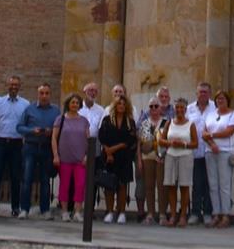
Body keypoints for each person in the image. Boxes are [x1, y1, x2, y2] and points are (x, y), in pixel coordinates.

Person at [0, 75, 28, 217]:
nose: (13, 87)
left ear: (19, 87)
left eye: (16, 85)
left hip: (17, 143)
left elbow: (27, 124)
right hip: (1, 142)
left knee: (16, 177)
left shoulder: (25, 104)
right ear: (7, 86)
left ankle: (15, 207)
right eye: (11, 84)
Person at [18, 82, 58, 219]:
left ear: (50, 95)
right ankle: (24, 209)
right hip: (31, 146)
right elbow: (19, 127)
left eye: (47, 93)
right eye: (42, 93)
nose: (44, 96)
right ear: (38, 94)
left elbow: (60, 129)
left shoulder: (56, 111)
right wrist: (32, 130)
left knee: (45, 180)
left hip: (47, 148)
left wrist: (51, 132)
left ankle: (45, 210)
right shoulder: (29, 109)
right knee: (27, 178)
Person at [98, 89, 136, 223]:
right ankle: (109, 211)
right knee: (109, 185)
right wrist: (108, 152)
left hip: (123, 157)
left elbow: (130, 140)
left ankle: (121, 212)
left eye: (124, 104)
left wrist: (115, 148)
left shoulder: (130, 122)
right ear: (115, 105)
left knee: (122, 185)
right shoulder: (107, 120)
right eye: (119, 104)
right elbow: (101, 136)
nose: (121, 106)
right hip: (109, 157)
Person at [161, 96, 198, 227]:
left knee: (184, 186)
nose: (179, 110)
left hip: (185, 156)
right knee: (171, 186)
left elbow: (195, 143)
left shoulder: (190, 124)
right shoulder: (169, 122)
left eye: (182, 107)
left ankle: (183, 216)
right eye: (177, 107)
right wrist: (171, 143)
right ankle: (173, 215)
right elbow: (161, 140)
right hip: (171, 155)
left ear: (185, 109)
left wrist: (183, 144)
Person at [52, 92, 89, 222]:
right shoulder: (60, 119)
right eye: (73, 102)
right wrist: (56, 155)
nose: (75, 104)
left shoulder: (84, 121)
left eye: (77, 103)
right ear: (68, 104)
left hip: (80, 160)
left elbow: (89, 140)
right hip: (64, 159)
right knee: (64, 185)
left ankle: (77, 211)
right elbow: (54, 138)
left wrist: (87, 155)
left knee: (80, 185)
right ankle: (64, 211)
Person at [206, 88, 234, 228]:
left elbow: (229, 131)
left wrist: (212, 135)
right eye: (218, 99)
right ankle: (216, 213)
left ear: (227, 100)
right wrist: (212, 144)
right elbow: (204, 132)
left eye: (223, 98)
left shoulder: (233, 114)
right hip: (210, 151)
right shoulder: (211, 114)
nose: (220, 101)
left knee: (224, 184)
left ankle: (225, 214)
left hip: (225, 151)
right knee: (213, 184)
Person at [187, 80, 217, 225]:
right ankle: (195, 212)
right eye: (200, 92)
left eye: (205, 92)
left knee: (210, 184)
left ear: (209, 94)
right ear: (196, 93)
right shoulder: (189, 109)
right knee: (197, 184)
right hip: (195, 152)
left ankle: (208, 213)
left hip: (211, 151)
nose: (203, 94)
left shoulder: (215, 107)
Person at [136, 97, 165, 224]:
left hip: (161, 158)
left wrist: (161, 153)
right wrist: (139, 160)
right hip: (147, 157)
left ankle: (162, 214)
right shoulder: (145, 123)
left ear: (160, 108)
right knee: (149, 186)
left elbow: (166, 141)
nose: (153, 108)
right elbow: (141, 144)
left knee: (161, 186)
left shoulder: (166, 122)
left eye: (156, 106)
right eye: (151, 106)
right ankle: (150, 213)